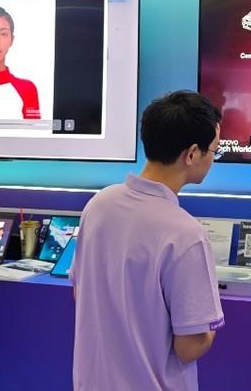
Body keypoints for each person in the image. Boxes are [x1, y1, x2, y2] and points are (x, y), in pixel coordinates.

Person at [72, 91, 225, 391]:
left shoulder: (98, 205)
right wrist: (210, 323)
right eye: (213, 151)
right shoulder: (186, 234)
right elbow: (190, 346)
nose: (212, 160)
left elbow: (80, 292)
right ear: (192, 154)